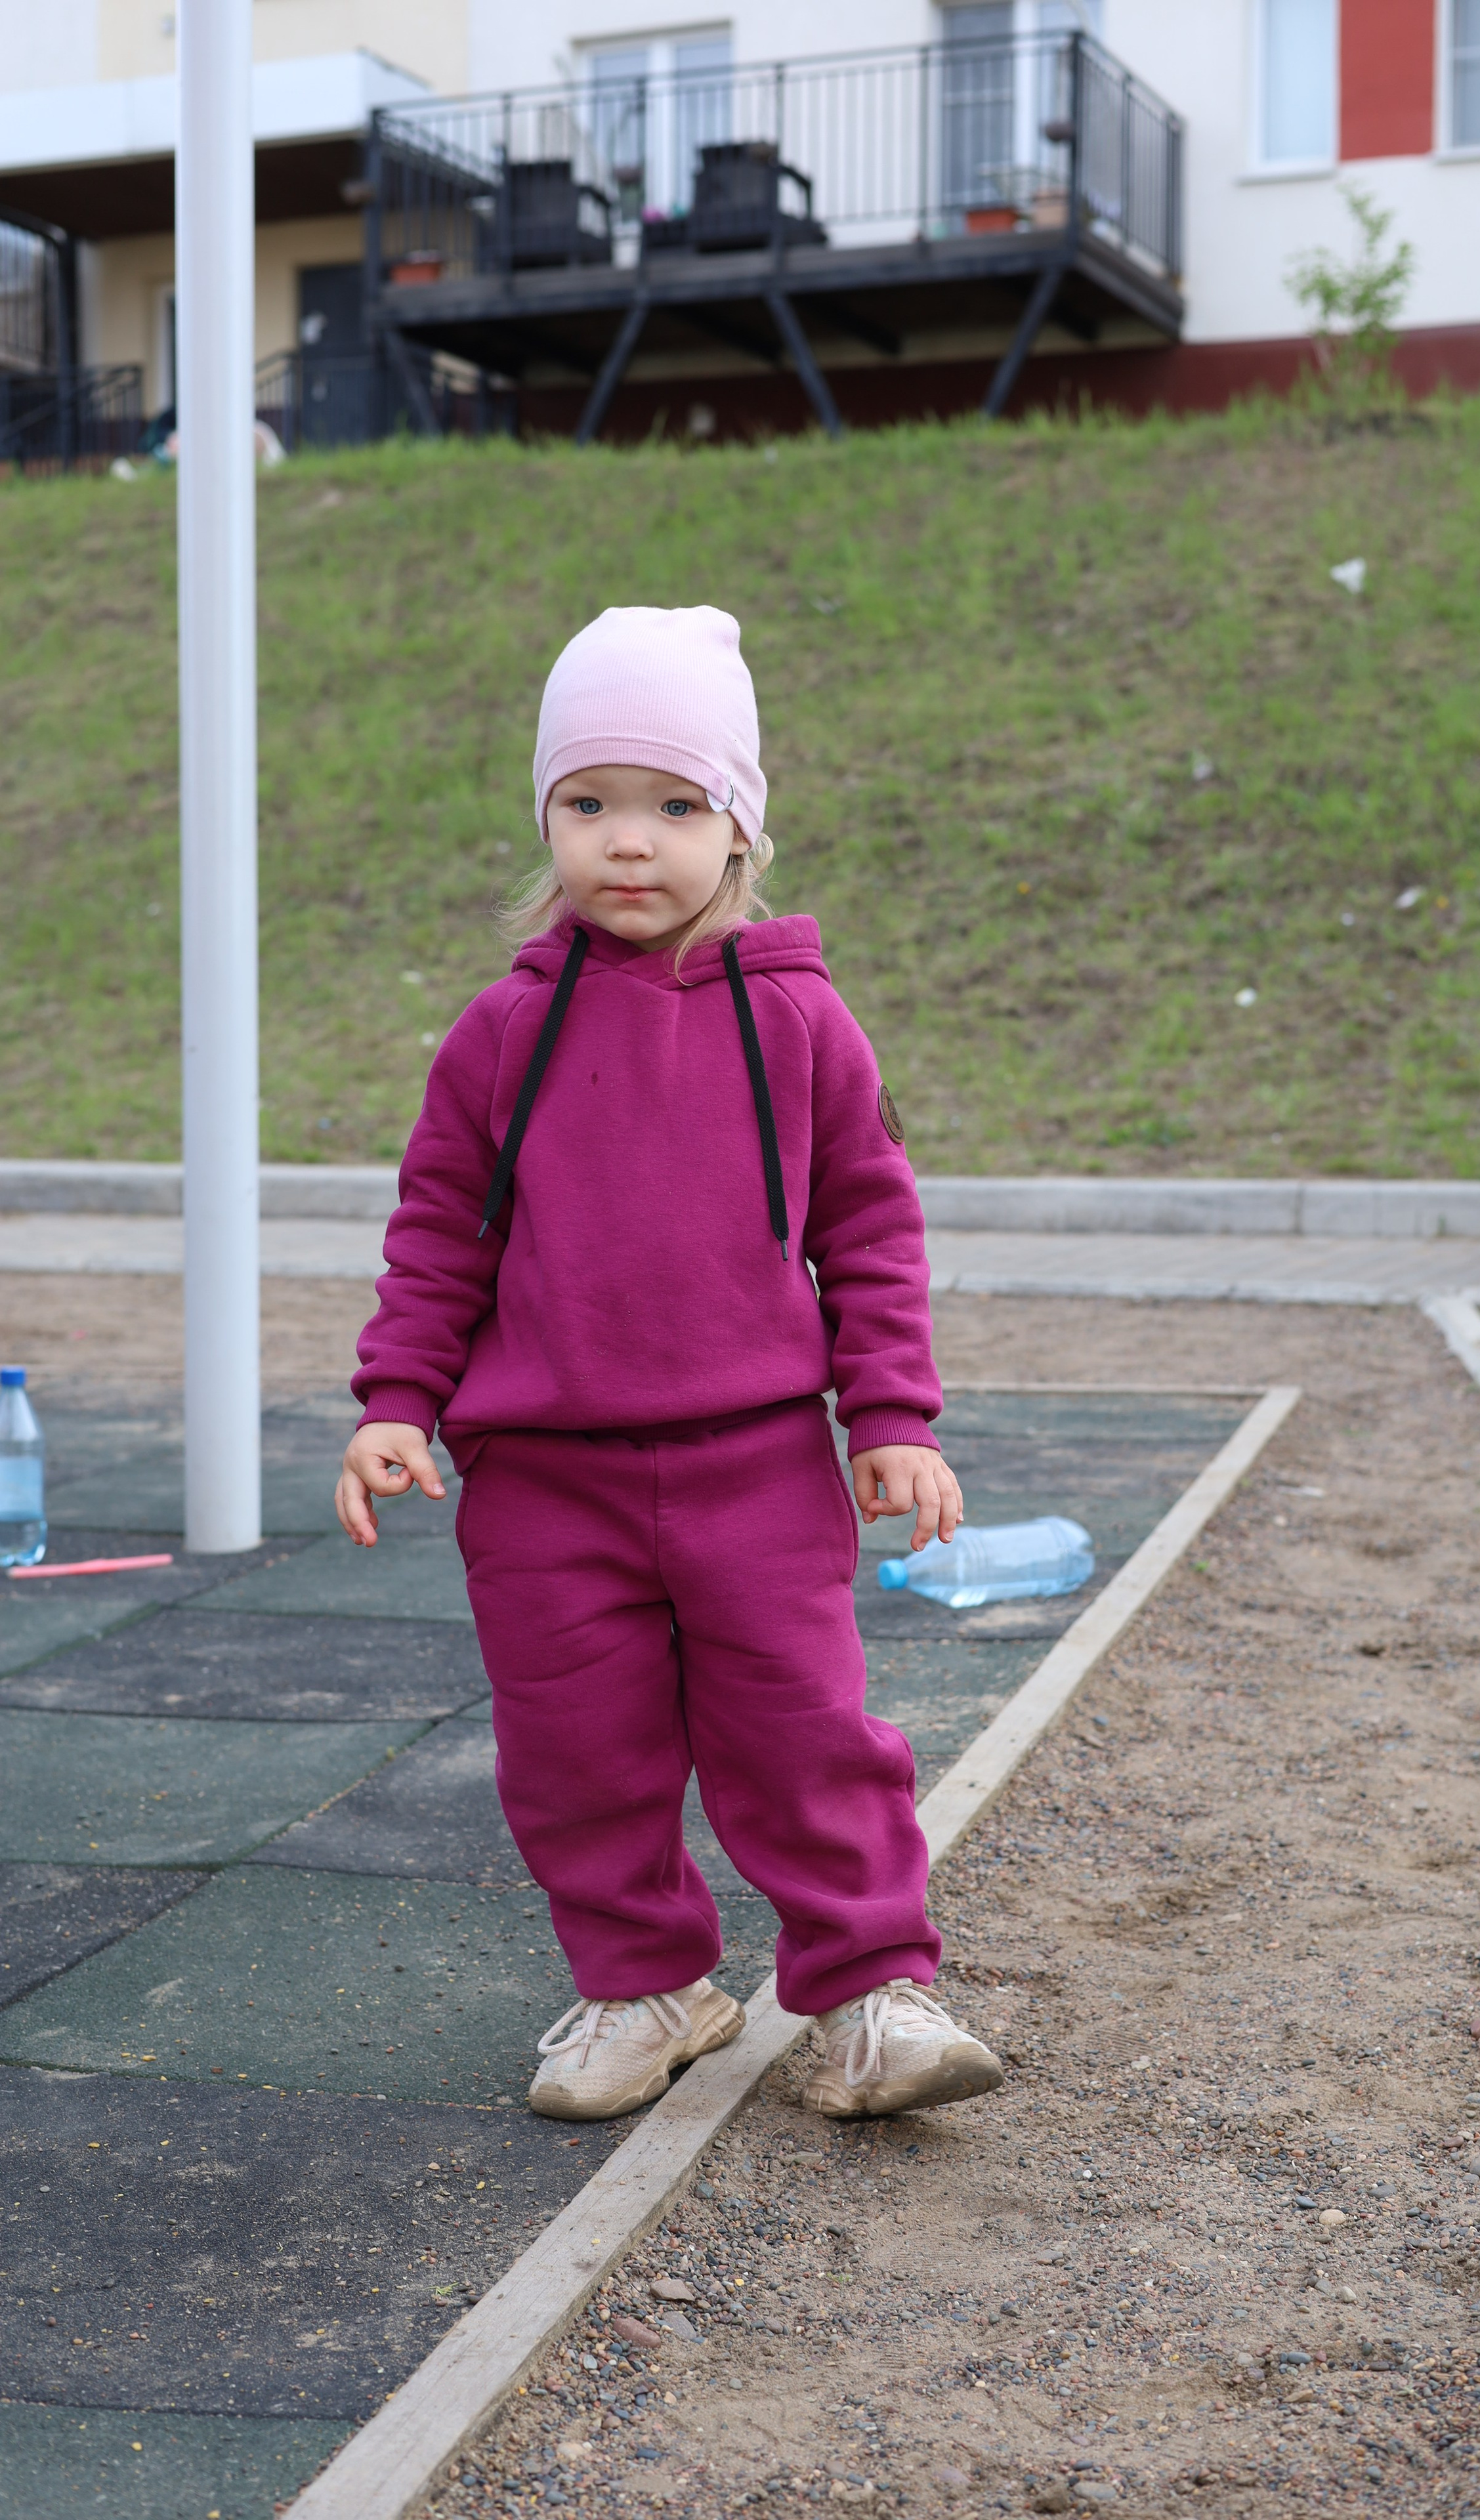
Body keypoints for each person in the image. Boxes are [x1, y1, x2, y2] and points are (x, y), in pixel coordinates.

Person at [335, 604, 1004, 2126]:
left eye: (673, 804)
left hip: (753, 1467)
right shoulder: (498, 1034)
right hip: (543, 1484)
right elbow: (437, 1228)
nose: (626, 842)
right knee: (578, 1752)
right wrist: (395, 1399)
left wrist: (891, 1414)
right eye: (588, 804)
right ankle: (651, 1986)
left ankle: (865, 1992)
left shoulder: (804, 1024)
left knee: (803, 1733)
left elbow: (869, 1230)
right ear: (546, 819)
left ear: (740, 825)